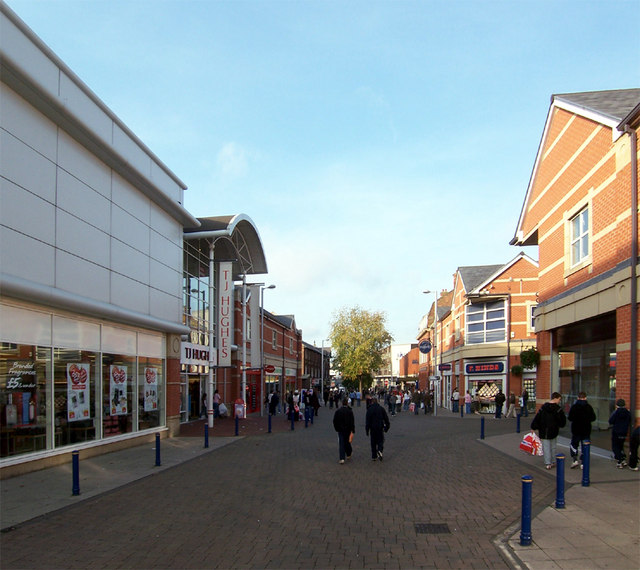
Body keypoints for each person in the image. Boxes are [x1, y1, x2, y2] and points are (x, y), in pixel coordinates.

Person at [531, 392, 566, 469]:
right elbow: (562, 421)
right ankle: (553, 461)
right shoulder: (558, 409)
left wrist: (533, 427)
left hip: (544, 430)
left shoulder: (543, 408)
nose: (559, 401)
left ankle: (548, 463)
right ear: (556, 398)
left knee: (546, 447)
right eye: (559, 399)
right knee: (553, 447)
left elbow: (537, 418)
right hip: (554, 430)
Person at [567, 391, 596, 468]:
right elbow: (593, 418)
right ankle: (583, 462)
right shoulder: (589, 407)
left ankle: (574, 459)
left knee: (574, 444)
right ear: (585, 398)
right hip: (586, 430)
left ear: (578, 398)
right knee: (585, 446)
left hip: (576, 429)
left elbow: (570, 418)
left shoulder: (574, 407)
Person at [365, 396, 390, 461]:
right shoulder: (381, 409)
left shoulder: (369, 409)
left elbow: (367, 421)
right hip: (380, 427)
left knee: (373, 442)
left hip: (372, 428)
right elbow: (386, 419)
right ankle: (380, 450)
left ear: (372, 402)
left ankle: (374, 456)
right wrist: (387, 427)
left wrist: (367, 430)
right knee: (380, 440)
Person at [608, 399, 631, 468]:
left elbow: (611, 421)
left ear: (617, 405)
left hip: (616, 432)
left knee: (615, 446)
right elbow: (630, 420)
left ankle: (619, 460)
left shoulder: (616, 412)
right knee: (621, 446)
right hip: (624, 432)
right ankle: (623, 459)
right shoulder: (627, 413)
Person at [332, 398, 355, 464]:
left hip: (340, 430)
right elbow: (352, 421)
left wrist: (337, 428)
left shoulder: (338, 411)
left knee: (341, 443)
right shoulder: (350, 411)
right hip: (348, 429)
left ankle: (342, 458)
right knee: (347, 442)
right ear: (347, 403)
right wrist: (352, 430)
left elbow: (335, 421)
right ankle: (349, 453)